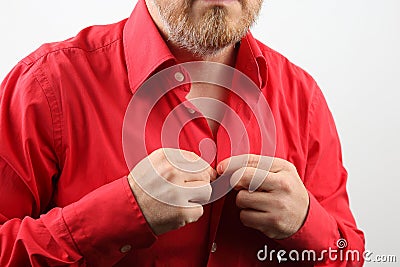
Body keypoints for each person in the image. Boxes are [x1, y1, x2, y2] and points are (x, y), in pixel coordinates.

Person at [0, 0, 364, 266]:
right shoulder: (46, 86)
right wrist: (120, 213)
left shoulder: (304, 98)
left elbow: (349, 257)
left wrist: (306, 225)